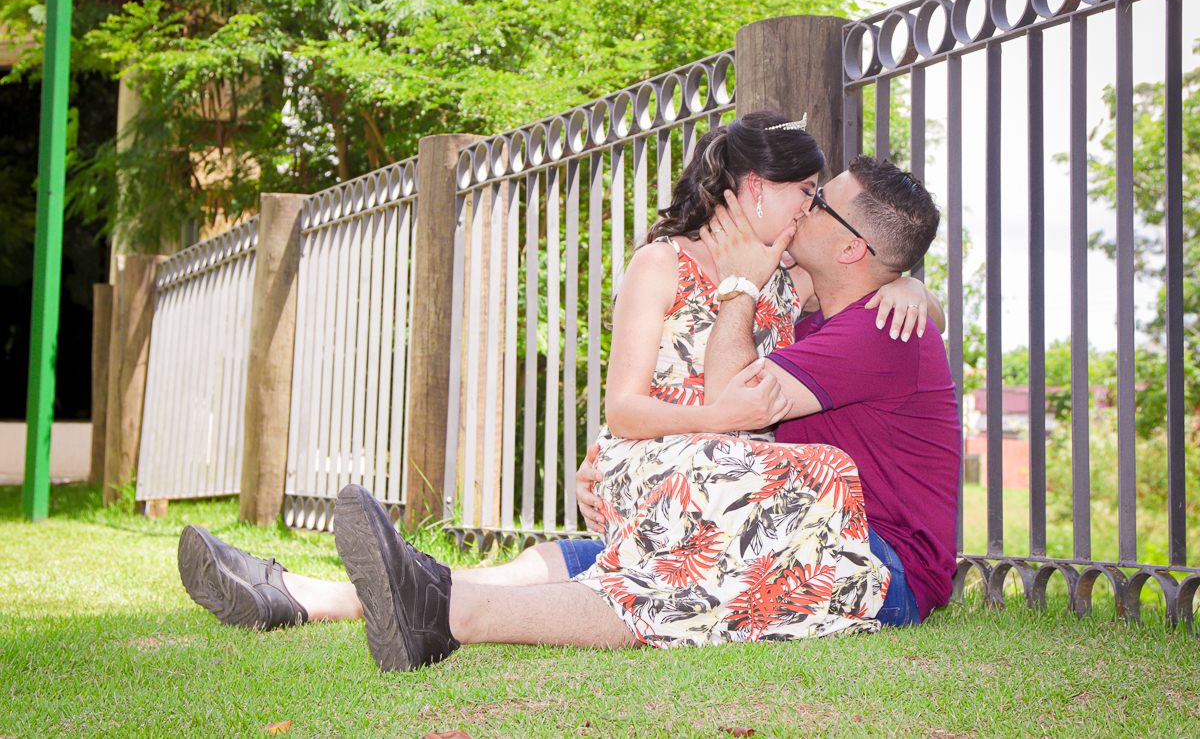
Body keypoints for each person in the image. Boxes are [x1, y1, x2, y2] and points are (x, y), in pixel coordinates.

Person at [179, 137, 958, 673]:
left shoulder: (878, 327)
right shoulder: (844, 305)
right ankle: (300, 597)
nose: (807, 206)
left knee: (675, 565)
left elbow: (731, 405)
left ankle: (444, 616)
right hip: (808, 526)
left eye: (822, 203)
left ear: (854, 248)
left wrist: (746, 283)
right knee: (563, 561)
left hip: (879, 565)